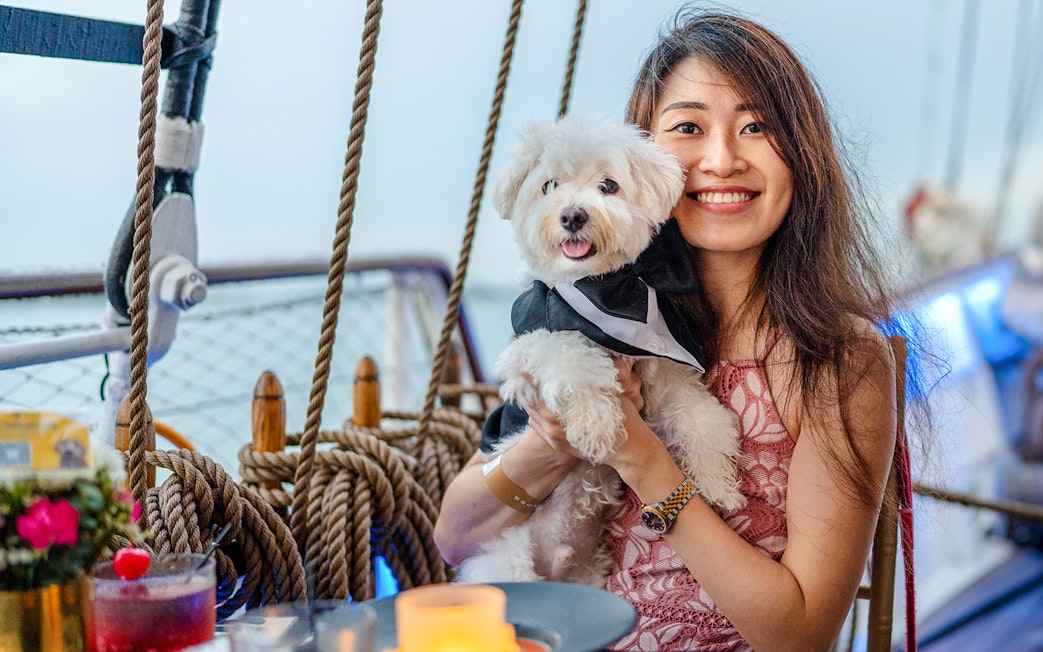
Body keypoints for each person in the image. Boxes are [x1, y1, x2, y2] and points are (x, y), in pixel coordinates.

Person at [434, 7, 906, 651]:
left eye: (757, 127)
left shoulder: (835, 359)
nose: (720, 159)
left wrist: (640, 455)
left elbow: (799, 636)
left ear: (802, 156)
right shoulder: (599, 316)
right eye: (688, 127)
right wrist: (552, 442)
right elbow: (455, 536)